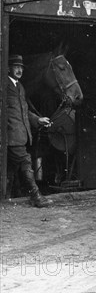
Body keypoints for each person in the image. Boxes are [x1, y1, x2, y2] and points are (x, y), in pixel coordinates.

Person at [5, 54, 51, 207]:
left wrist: (38, 120)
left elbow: (24, 111)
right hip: (10, 136)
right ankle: (36, 195)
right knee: (25, 161)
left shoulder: (20, 87)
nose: (19, 70)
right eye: (16, 67)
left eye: (21, 68)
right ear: (8, 68)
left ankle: (5, 198)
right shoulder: (3, 85)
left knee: (10, 170)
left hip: (21, 135)